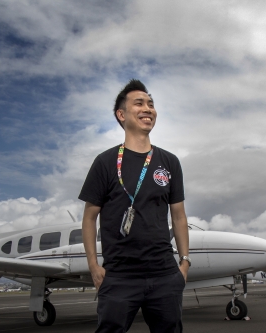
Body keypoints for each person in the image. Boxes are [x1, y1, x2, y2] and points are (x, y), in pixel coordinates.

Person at [79, 79, 190, 333]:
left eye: (150, 104)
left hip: (164, 274)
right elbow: (89, 217)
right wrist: (94, 267)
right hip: (119, 276)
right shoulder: (105, 162)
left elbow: (179, 216)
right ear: (121, 114)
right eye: (139, 103)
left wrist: (183, 264)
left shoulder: (169, 162)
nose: (147, 108)